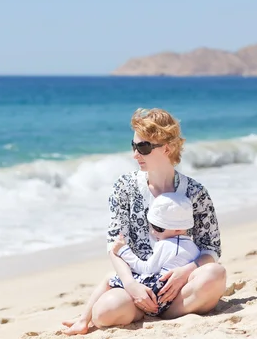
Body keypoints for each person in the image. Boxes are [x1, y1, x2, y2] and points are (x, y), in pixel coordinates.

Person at [62, 108, 226, 335]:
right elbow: (115, 246)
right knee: (105, 312)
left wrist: (186, 272)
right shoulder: (125, 187)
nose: (135, 154)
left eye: (143, 147)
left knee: (215, 274)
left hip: (179, 287)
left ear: (167, 148)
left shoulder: (196, 193)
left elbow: (211, 249)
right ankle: (143, 309)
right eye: (134, 146)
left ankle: (167, 313)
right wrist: (131, 285)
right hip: (136, 285)